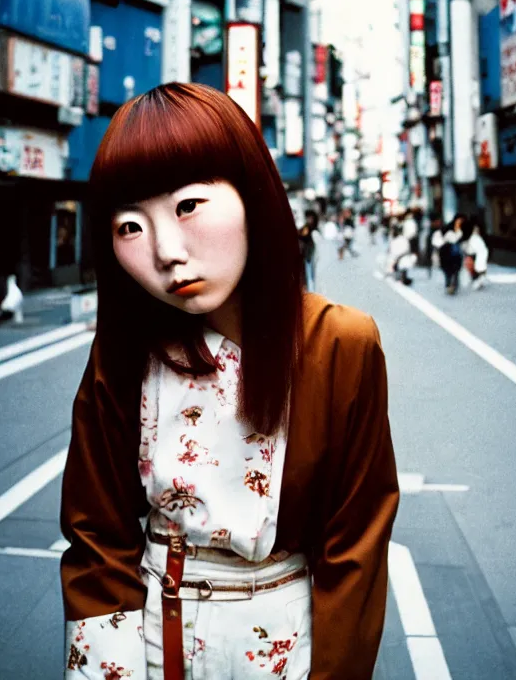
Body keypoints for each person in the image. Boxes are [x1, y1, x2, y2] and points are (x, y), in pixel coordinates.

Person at [60, 83, 399, 680]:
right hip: (148, 636)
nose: (167, 251)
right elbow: (97, 544)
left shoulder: (341, 344)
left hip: (287, 646)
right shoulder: (120, 354)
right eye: (130, 227)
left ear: (253, 194)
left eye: (188, 205)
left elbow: (355, 551)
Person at [437, 215, 465, 295]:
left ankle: (452, 286)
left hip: (455, 255)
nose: (459, 224)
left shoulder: (459, 231)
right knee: (449, 272)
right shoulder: (449, 232)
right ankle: (449, 286)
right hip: (447, 255)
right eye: (458, 222)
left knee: (455, 271)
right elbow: (454, 239)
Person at [462, 222, 489, 291]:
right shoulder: (471, 237)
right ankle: (477, 281)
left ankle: (478, 281)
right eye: (474, 230)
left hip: (477, 255)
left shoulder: (478, 238)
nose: (476, 231)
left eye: (477, 230)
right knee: (473, 269)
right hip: (471, 255)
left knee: (478, 269)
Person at [298, 209, 319, 292]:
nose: (309, 219)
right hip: (307, 254)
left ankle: (312, 291)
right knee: (308, 274)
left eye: (310, 218)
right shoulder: (306, 227)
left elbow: (303, 236)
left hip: (310, 254)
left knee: (310, 274)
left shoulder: (312, 229)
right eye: (308, 217)